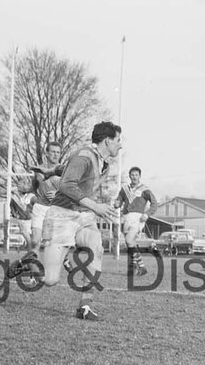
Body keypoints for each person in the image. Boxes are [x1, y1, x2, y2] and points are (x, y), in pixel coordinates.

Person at [7, 121, 123, 321]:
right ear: (107, 140)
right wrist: (96, 207)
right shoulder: (84, 156)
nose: (120, 145)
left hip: (83, 216)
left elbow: (65, 169)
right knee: (50, 280)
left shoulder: (102, 161)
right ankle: (27, 264)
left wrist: (50, 172)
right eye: (118, 140)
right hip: (61, 215)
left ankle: (84, 306)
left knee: (96, 248)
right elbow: (67, 185)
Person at [114, 166, 157, 277]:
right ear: (129, 176)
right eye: (132, 175)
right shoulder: (124, 189)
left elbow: (155, 204)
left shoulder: (144, 189)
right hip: (126, 218)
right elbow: (119, 199)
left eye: (136, 175)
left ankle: (139, 267)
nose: (134, 177)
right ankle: (138, 267)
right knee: (131, 244)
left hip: (138, 218)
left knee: (129, 240)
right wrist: (117, 203)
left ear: (140, 176)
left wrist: (147, 214)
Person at [28, 141, 64, 252]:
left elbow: (70, 191)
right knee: (35, 241)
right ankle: (33, 265)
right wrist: (29, 194)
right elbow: (34, 187)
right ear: (47, 154)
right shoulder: (39, 170)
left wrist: (57, 195)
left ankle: (61, 261)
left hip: (55, 209)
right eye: (53, 152)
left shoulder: (64, 171)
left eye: (58, 152)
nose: (55, 154)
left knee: (51, 243)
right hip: (40, 207)